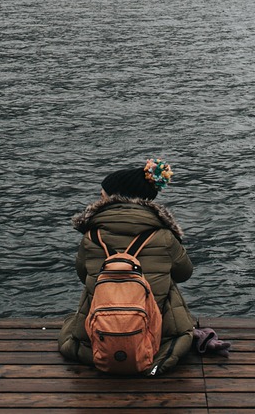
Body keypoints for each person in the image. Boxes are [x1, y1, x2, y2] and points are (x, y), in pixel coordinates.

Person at [57, 158, 195, 374]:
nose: (98, 200)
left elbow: (83, 276)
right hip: (154, 336)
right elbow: (185, 273)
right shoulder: (165, 236)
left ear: (113, 199)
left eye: (102, 196)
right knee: (167, 284)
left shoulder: (92, 236)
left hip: (102, 332)